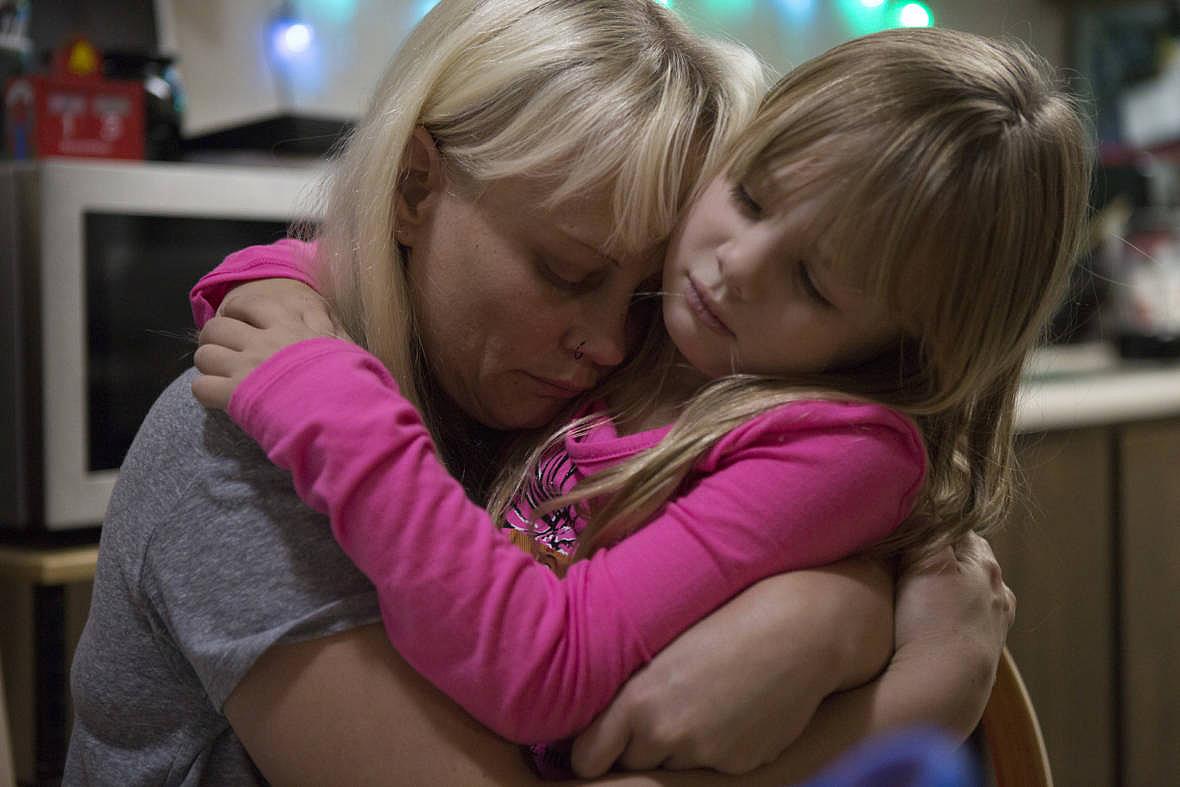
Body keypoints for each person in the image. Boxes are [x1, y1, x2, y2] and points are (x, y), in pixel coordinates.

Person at [66, 2, 1017, 785]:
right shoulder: (238, 451)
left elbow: (814, 489)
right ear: (410, 188)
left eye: (645, 295)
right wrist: (922, 688)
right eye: (565, 271)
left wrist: (830, 610)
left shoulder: (531, 405)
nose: (608, 344)